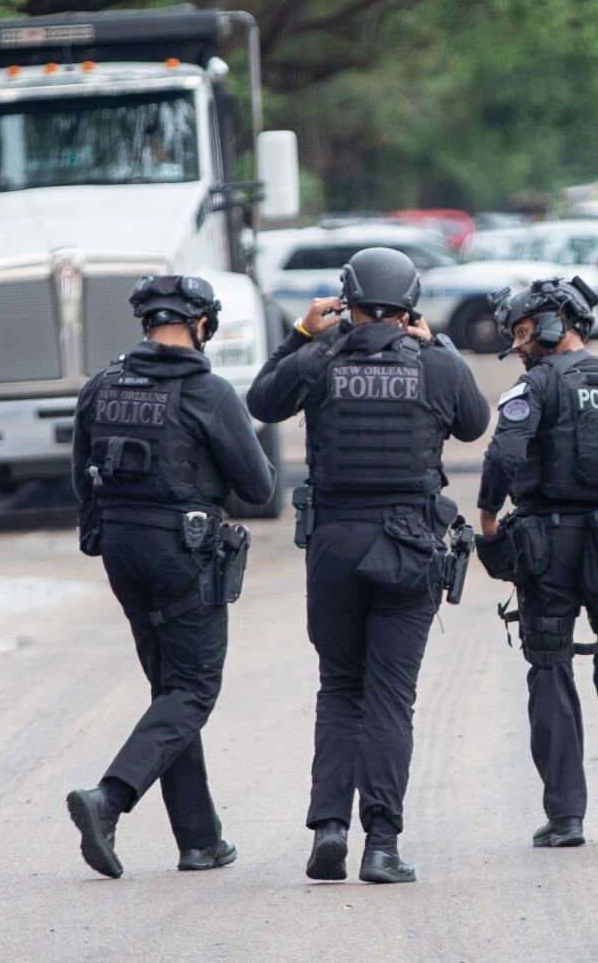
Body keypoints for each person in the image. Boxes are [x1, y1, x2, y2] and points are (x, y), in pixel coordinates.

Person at [248, 247, 489, 884]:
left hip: (334, 541)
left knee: (339, 687)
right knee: (390, 698)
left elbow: (261, 403)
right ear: (411, 302)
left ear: (344, 298)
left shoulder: (316, 359)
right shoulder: (434, 365)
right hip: (409, 543)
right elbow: (474, 423)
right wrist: (437, 346)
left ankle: (329, 828)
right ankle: (381, 846)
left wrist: (302, 332)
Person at [66, 274, 275, 878]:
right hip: (182, 552)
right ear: (203, 325)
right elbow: (258, 487)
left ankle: (200, 840)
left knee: (171, 693)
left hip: (121, 551)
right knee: (193, 690)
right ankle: (109, 799)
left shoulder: (102, 384)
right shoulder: (209, 391)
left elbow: (82, 477)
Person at [476, 276, 598, 849]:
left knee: (550, 666)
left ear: (555, 322)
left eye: (523, 329)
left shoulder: (535, 385)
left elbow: (505, 452)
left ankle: (565, 817)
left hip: (548, 545)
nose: (519, 343)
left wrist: (489, 516)